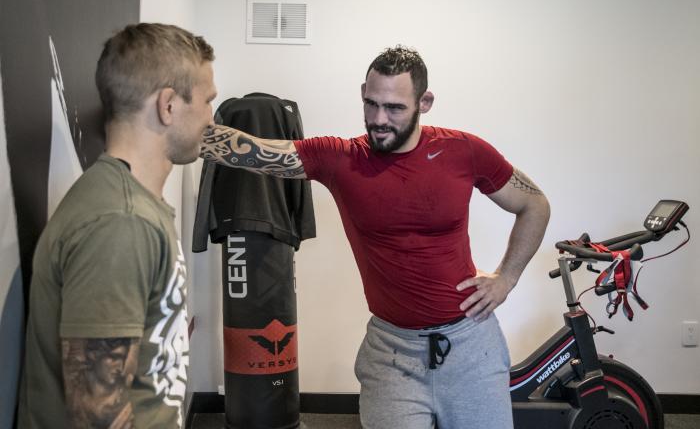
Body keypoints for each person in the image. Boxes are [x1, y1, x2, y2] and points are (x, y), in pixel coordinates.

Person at [200, 45, 550, 428]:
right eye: (371, 104)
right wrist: (179, 126)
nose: (379, 119)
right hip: (392, 354)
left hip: (470, 348)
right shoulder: (341, 158)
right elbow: (259, 153)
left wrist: (507, 277)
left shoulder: (462, 151)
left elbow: (534, 204)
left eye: (395, 108)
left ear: (425, 101)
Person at [18, 23, 217, 428]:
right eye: (207, 101)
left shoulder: (132, 204)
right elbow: (97, 413)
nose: (211, 118)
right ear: (168, 105)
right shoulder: (121, 223)